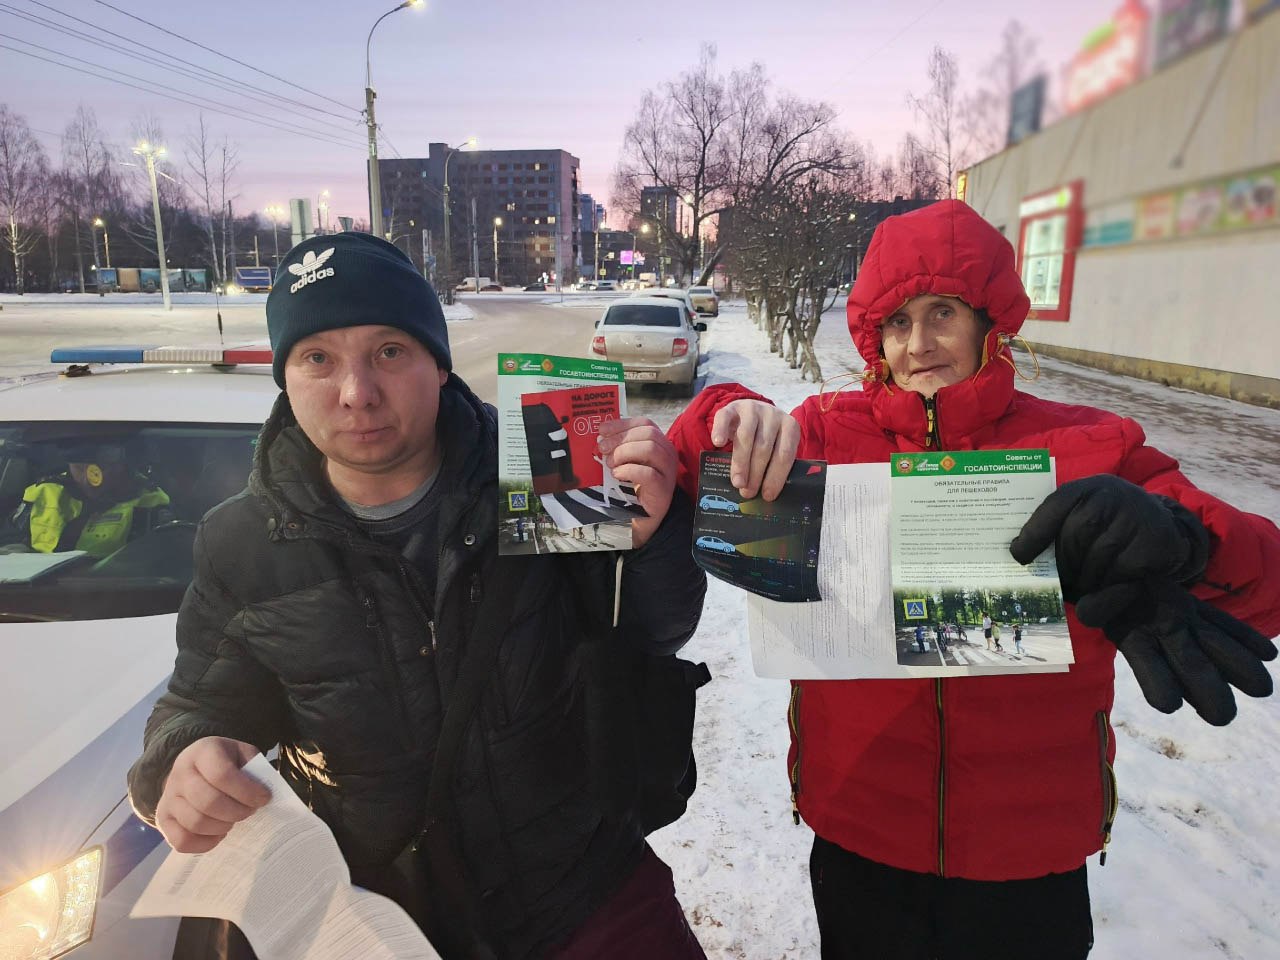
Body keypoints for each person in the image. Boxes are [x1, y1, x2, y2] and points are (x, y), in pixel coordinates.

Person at [667, 200, 1280, 959]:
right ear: (874, 337)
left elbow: (1266, 580)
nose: (919, 344)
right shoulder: (824, 438)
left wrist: (1182, 541)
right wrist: (733, 411)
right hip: (861, 834)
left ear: (991, 321)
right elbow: (687, 465)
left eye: (943, 313)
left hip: (1030, 856)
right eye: (897, 322)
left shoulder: (1089, 445)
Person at [127, 233, 708, 960]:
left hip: (582, 897)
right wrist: (180, 763)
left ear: (438, 361)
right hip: (386, 924)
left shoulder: (541, 470)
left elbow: (658, 633)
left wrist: (652, 541)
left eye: (389, 351)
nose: (356, 392)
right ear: (286, 377)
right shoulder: (242, 543)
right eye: (318, 359)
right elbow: (195, 708)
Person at [0, 441, 171, 557]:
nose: (86, 479)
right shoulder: (44, 492)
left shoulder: (150, 502)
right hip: (34, 595)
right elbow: (10, 540)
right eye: (79, 468)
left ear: (123, 466)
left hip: (109, 597)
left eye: (100, 469)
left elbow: (152, 565)